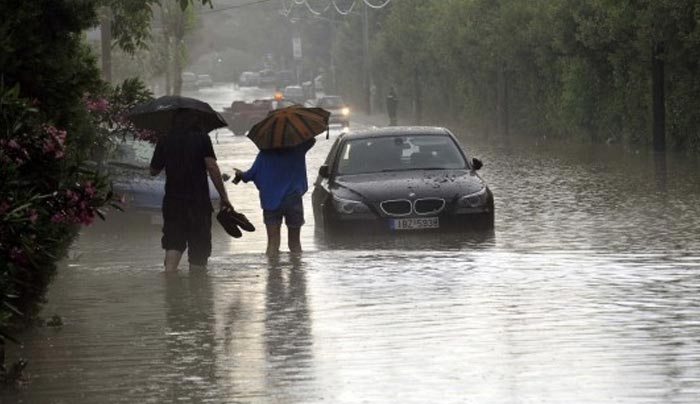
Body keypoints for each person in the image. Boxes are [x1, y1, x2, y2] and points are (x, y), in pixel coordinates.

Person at [150, 117, 231, 272]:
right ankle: (198, 290)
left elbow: (153, 171)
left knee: (173, 242)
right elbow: (212, 167)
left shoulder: (165, 139)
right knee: (199, 248)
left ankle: (170, 283)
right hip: (198, 203)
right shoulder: (202, 138)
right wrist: (224, 197)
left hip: (173, 203)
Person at [233, 138, 315, 256]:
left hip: (271, 202)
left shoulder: (264, 154)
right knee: (295, 243)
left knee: (272, 243)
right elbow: (311, 140)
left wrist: (240, 174)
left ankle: (273, 272)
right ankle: (297, 272)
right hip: (293, 200)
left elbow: (249, 175)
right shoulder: (298, 149)